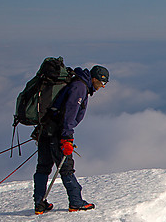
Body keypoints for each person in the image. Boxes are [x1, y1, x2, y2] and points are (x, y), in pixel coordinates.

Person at [33, 65, 109, 214]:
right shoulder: (79, 88)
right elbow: (70, 112)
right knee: (66, 168)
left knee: (43, 167)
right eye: (101, 82)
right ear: (93, 79)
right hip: (58, 134)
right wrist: (67, 138)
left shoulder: (76, 83)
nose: (102, 86)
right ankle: (76, 202)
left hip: (46, 130)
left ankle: (39, 203)